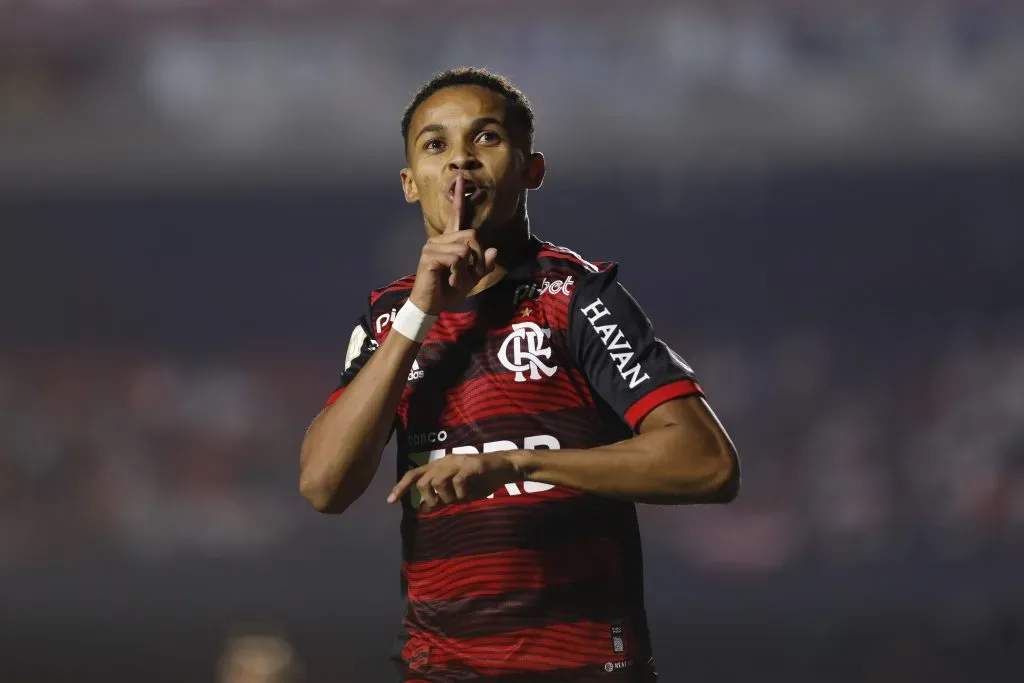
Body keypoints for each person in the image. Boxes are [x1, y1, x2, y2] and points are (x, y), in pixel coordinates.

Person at [299, 67, 740, 682]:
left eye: (485, 140)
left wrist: (518, 465)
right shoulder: (388, 319)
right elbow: (325, 485)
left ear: (532, 170)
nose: (460, 164)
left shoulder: (577, 297)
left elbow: (709, 463)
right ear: (409, 183)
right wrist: (420, 312)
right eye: (436, 146)